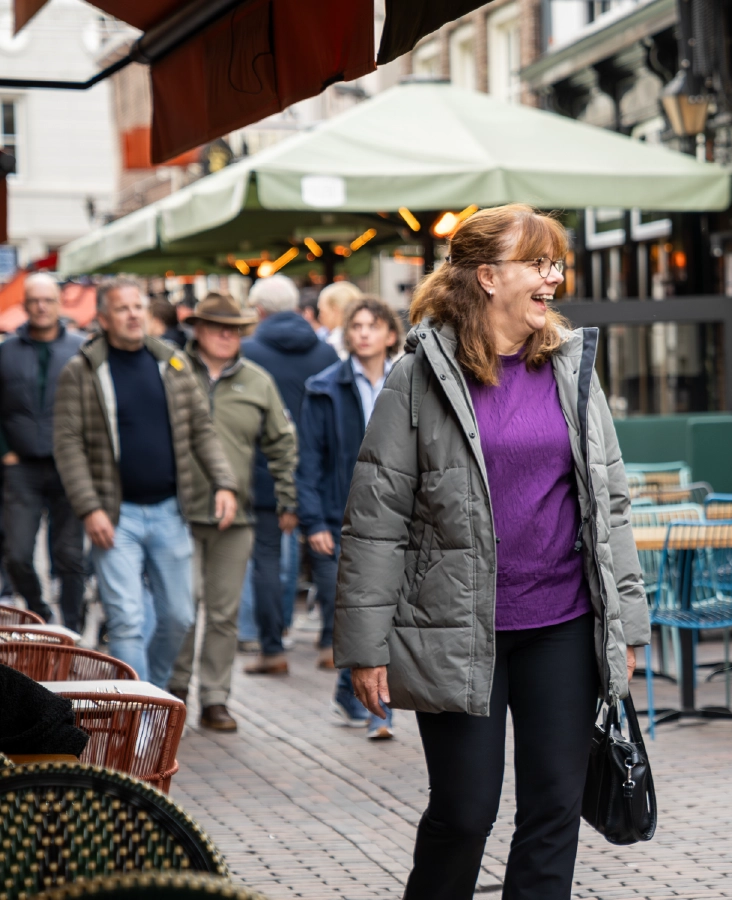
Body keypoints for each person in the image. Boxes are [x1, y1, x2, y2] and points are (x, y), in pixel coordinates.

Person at [334, 204, 648, 900]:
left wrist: (626, 622)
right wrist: (365, 648)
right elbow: (375, 519)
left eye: (556, 263)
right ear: (485, 276)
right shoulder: (416, 380)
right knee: (465, 812)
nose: (553, 277)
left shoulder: (572, 366)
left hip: (563, 624)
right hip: (456, 629)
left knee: (554, 810)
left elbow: (609, 505)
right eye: (537, 264)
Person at [53, 278, 238, 687]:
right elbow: (67, 444)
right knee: (127, 620)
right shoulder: (82, 370)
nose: (134, 314)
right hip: (115, 518)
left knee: (180, 615)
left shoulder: (171, 363)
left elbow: (200, 429)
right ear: (103, 318)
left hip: (171, 512)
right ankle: (135, 717)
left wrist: (224, 482)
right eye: (122, 308)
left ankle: (149, 695)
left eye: (138, 306)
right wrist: (89, 508)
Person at [168, 292, 297, 732]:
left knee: (223, 615)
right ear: (197, 329)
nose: (227, 335)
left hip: (234, 516)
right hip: (175, 513)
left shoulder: (257, 380)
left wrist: (287, 499)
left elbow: (282, 444)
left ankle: (215, 698)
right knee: (181, 609)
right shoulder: (171, 372)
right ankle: (174, 692)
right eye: (217, 327)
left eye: (235, 328)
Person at [285, 297, 400, 741]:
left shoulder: (407, 381)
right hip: (338, 515)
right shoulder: (323, 387)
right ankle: (352, 692)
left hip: (395, 517)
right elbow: (309, 460)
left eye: (374, 325)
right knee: (345, 610)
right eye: (357, 326)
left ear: (390, 334)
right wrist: (313, 522)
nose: (364, 333)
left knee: (383, 614)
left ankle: (376, 709)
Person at [240, 275, 338, 666]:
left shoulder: (247, 352)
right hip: (319, 471)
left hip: (264, 471)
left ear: (260, 310)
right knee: (326, 553)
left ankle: (272, 648)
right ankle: (332, 643)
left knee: (266, 558)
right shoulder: (326, 353)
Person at [0, 273, 86, 627]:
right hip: (21, 466)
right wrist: (4, 451)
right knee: (17, 552)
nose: (41, 307)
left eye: (47, 300)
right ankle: (40, 612)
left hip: (69, 464)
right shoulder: (6, 352)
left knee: (69, 555)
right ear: (25, 305)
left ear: (58, 303)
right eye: (34, 300)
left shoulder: (80, 349)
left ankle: (72, 627)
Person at [317, 281, 360, 359]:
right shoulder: (366, 341)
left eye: (322, 312)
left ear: (335, 311)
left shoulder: (333, 346)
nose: (320, 317)